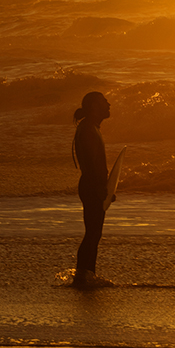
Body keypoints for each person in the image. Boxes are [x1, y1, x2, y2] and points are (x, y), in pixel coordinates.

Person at [72, 91, 111, 286]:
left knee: (94, 232)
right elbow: (89, 163)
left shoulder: (91, 127)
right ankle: (84, 276)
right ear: (95, 106)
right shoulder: (88, 129)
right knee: (93, 232)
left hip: (92, 185)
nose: (109, 104)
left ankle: (86, 274)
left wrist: (106, 186)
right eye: (104, 101)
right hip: (90, 185)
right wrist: (99, 187)